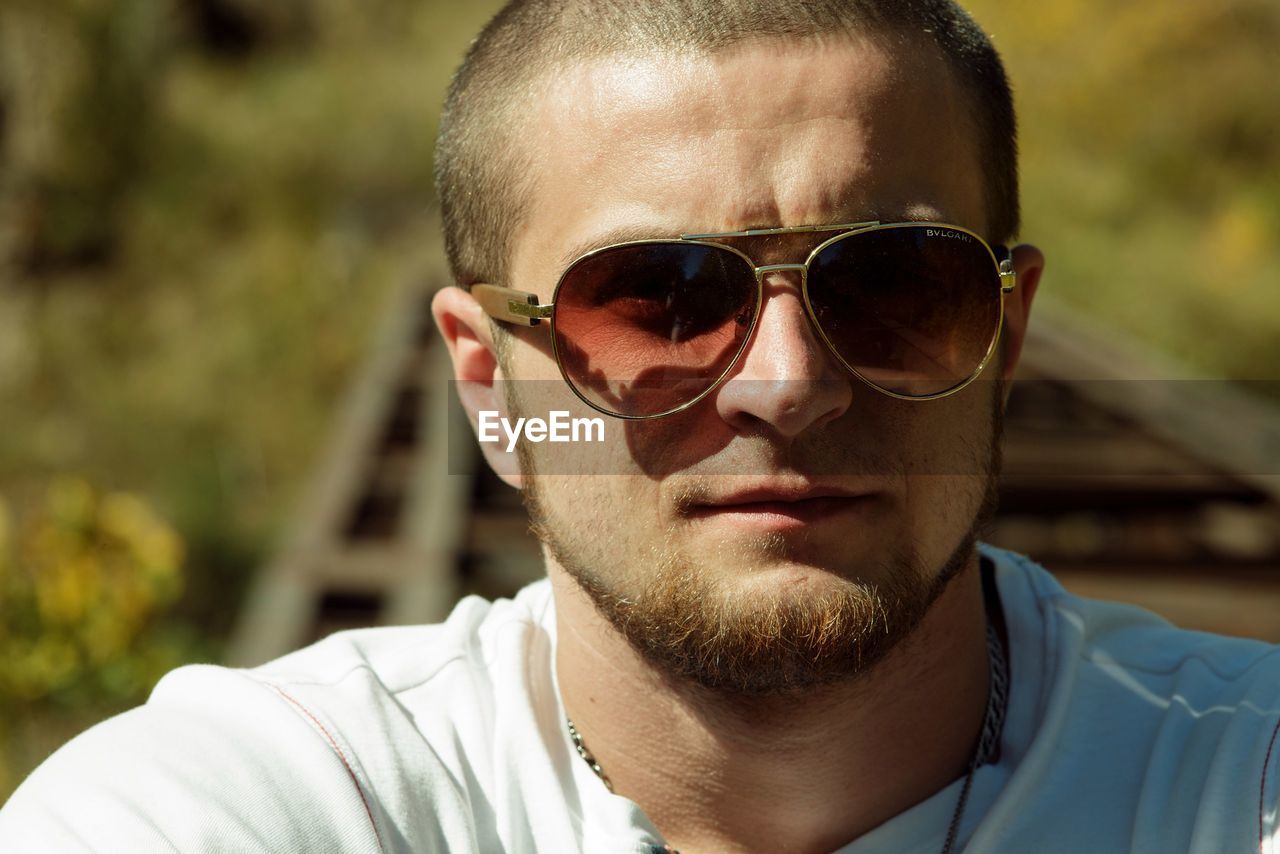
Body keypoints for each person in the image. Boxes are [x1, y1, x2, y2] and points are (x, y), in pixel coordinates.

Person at [4, 1, 1279, 851]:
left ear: (1003, 339)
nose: (785, 384)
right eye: (655, 299)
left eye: (893, 283)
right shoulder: (240, 806)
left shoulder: (1242, 781)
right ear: (487, 384)